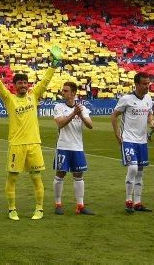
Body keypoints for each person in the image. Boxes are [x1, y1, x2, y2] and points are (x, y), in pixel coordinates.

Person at [0, 44, 59, 221]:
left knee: (36, 177)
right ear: (15, 85)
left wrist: (54, 64)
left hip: (34, 143)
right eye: (20, 83)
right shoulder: (9, 99)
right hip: (16, 145)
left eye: (25, 83)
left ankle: (39, 209)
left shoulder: (34, 96)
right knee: (12, 178)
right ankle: (12, 209)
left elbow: (45, 81)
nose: (23, 85)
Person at [111, 72, 154, 214]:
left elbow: (148, 112)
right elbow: (114, 115)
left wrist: (151, 121)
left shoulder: (149, 98)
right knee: (132, 168)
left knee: (140, 172)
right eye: (144, 84)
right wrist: (117, 134)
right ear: (136, 84)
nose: (147, 86)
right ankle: (128, 200)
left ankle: (137, 202)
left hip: (142, 141)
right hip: (129, 139)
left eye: (148, 83)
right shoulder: (126, 99)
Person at [52, 82, 95, 216]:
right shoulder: (59, 107)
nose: (63, 92)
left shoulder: (82, 108)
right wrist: (73, 114)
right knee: (60, 175)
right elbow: (60, 123)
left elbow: (90, 125)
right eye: (63, 90)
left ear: (73, 93)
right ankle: (58, 204)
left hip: (77, 147)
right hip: (63, 146)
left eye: (65, 91)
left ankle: (80, 206)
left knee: (79, 176)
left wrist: (80, 114)